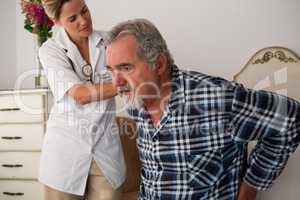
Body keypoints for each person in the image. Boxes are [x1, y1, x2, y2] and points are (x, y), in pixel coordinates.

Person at [105, 18, 300, 200]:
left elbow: (291, 118)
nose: (116, 81)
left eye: (126, 67)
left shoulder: (217, 99)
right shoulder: (136, 102)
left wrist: (251, 185)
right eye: (111, 70)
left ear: (159, 64)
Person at [38, 0, 125, 199]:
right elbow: (81, 95)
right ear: (57, 22)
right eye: (73, 18)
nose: (84, 20)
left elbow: (133, 67)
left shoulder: (110, 41)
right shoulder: (50, 50)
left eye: (84, 10)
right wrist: (128, 85)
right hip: (65, 153)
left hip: (105, 151)